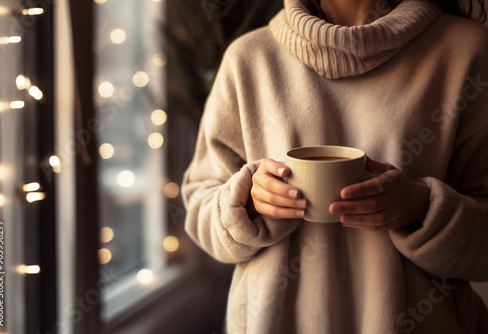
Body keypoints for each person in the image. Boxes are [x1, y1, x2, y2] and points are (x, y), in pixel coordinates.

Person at [182, 0, 488, 332]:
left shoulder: (467, 50)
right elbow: (200, 206)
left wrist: (423, 210)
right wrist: (245, 203)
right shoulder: (248, 59)